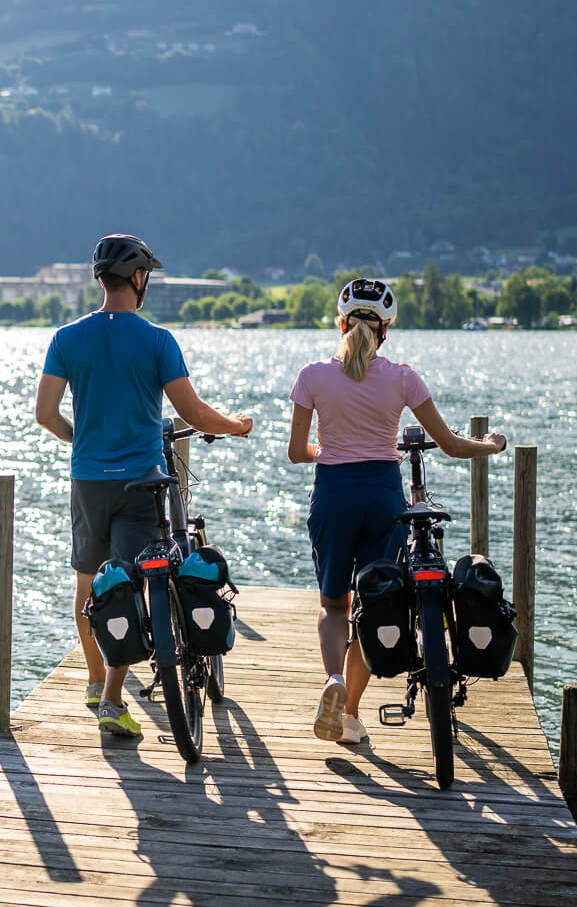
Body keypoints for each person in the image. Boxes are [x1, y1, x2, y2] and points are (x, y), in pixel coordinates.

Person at [35, 234, 254, 738]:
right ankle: (113, 698)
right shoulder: (157, 340)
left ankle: (94, 682)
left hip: (88, 478)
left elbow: (46, 414)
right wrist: (238, 426)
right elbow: (194, 414)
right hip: (143, 480)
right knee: (135, 582)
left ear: (99, 279)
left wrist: (83, 441)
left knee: (89, 581)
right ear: (138, 279)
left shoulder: (66, 338)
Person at [287, 278, 507, 745]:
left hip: (333, 495)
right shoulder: (403, 377)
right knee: (375, 602)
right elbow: (449, 444)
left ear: (342, 323)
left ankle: (333, 681)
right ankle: (348, 714)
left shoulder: (312, 376)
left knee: (334, 605)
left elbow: (295, 452)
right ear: (385, 329)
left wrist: (327, 449)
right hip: (385, 498)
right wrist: (489, 445)